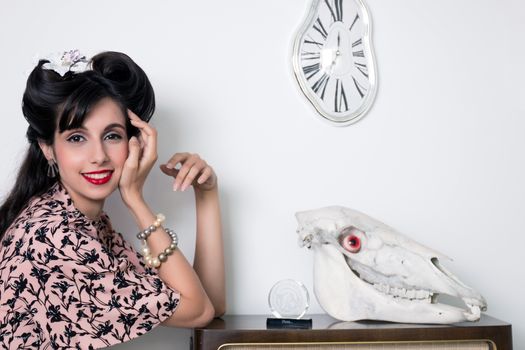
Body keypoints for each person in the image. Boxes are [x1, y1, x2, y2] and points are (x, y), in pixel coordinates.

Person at [0, 50, 225, 349]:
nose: (99, 157)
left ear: (135, 143)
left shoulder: (80, 220)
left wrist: (206, 194)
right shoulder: (53, 236)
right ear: (48, 149)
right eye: (77, 138)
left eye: (112, 135)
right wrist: (134, 199)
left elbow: (209, 306)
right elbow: (197, 310)